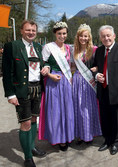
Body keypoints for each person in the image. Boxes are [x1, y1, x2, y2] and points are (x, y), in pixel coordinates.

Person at [2, 20, 47, 167]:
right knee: (25, 123)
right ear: (21, 31)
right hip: (22, 90)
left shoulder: (39, 47)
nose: (31, 33)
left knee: (34, 120)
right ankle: (28, 157)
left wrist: (47, 67)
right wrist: (10, 94)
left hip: (37, 89)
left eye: (33, 30)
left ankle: (31, 147)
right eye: (28, 30)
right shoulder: (12, 46)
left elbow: (44, 63)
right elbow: (7, 72)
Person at [93, 25, 118, 155]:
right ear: (100, 38)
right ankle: (107, 140)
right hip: (103, 90)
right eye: (103, 36)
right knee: (104, 117)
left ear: (114, 36)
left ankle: (115, 142)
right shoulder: (99, 51)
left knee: (115, 118)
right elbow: (96, 68)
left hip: (117, 91)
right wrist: (96, 75)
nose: (106, 38)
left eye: (108, 35)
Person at [41, 21, 74, 151]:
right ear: (55, 34)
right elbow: (43, 65)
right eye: (59, 33)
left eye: (64, 33)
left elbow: (71, 65)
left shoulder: (68, 48)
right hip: (53, 81)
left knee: (67, 109)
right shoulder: (49, 47)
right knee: (55, 111)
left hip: (65, 80)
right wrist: (49, 75)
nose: (62, 36)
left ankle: (66, 136)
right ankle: (57, 138)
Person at [72, 24, 102, 144]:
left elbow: (102, 64)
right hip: (77, 82)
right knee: (78, 108)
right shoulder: (74, 50)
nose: (83, 38)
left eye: (86, 36)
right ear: (78, 37)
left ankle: (89, 134)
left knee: (88, 109)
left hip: (89, 82)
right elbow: (72, 66)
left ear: (89, 37)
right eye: (81, 36)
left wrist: (96, 67)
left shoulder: (95, 49)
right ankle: (80, 134)